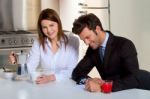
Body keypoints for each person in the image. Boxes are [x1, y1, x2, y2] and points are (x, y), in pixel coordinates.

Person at [71, 13, 150, 92]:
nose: (86, 42)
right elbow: (77, 72)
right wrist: (89, 81)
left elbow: (133, 79)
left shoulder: (125, 45)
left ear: (97, 29)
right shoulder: (92, 49)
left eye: (88, 37)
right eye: (83, 39)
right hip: (116, 94)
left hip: (141, 89)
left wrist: (103, 86)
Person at [9, 8, 79, 84]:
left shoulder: (73, 41)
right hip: (45, 85)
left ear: (58, 24)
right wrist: (19, 62)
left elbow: (73, 70)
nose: (49, 30)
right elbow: (29, 68)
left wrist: (51, 78)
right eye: (44, 27)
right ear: (41, 29)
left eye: (51, 25)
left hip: (67, 85)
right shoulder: (38, 42)